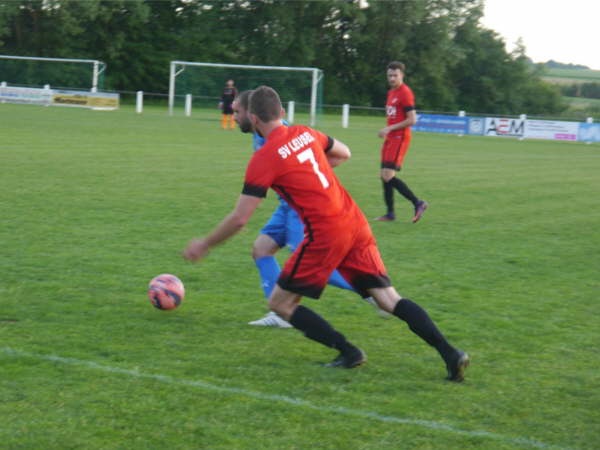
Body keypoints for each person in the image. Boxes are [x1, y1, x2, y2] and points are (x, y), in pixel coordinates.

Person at [183, 86, 469, 382]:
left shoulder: (264, 157)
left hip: (326, 232)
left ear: (254, 118)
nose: (237, 116)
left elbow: (240, 218)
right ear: (282, 113)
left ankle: (348, 351)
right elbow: (343, 152)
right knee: (388, 299)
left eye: (241, 114)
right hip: (355, 222)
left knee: (280, 304)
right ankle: (451, 353)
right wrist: (309, 169)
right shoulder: (306, 133)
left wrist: (205, 244)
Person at [231, 90, 390, 328]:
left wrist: (304, 178)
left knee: (309, 261)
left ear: (251, 114)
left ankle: (370, 291)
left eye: (236, 111)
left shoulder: (279, 133)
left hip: (301, 208)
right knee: (261, 249)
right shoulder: (258, 134)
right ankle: (280, 315)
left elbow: (336, 154)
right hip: (284, 207)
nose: (232, 116)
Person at [374, 61, 428, 223]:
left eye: (395, 75)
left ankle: (418, 203)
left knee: (388, 175)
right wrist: (388, 130)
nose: (392, 78)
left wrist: (389, 129)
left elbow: (412, 120)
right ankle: (390, 214)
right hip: (391, 138)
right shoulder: (392, 92)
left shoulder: (405, 93)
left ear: (402, 75)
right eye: (389, 75)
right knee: (384, 176)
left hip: (400, 138)